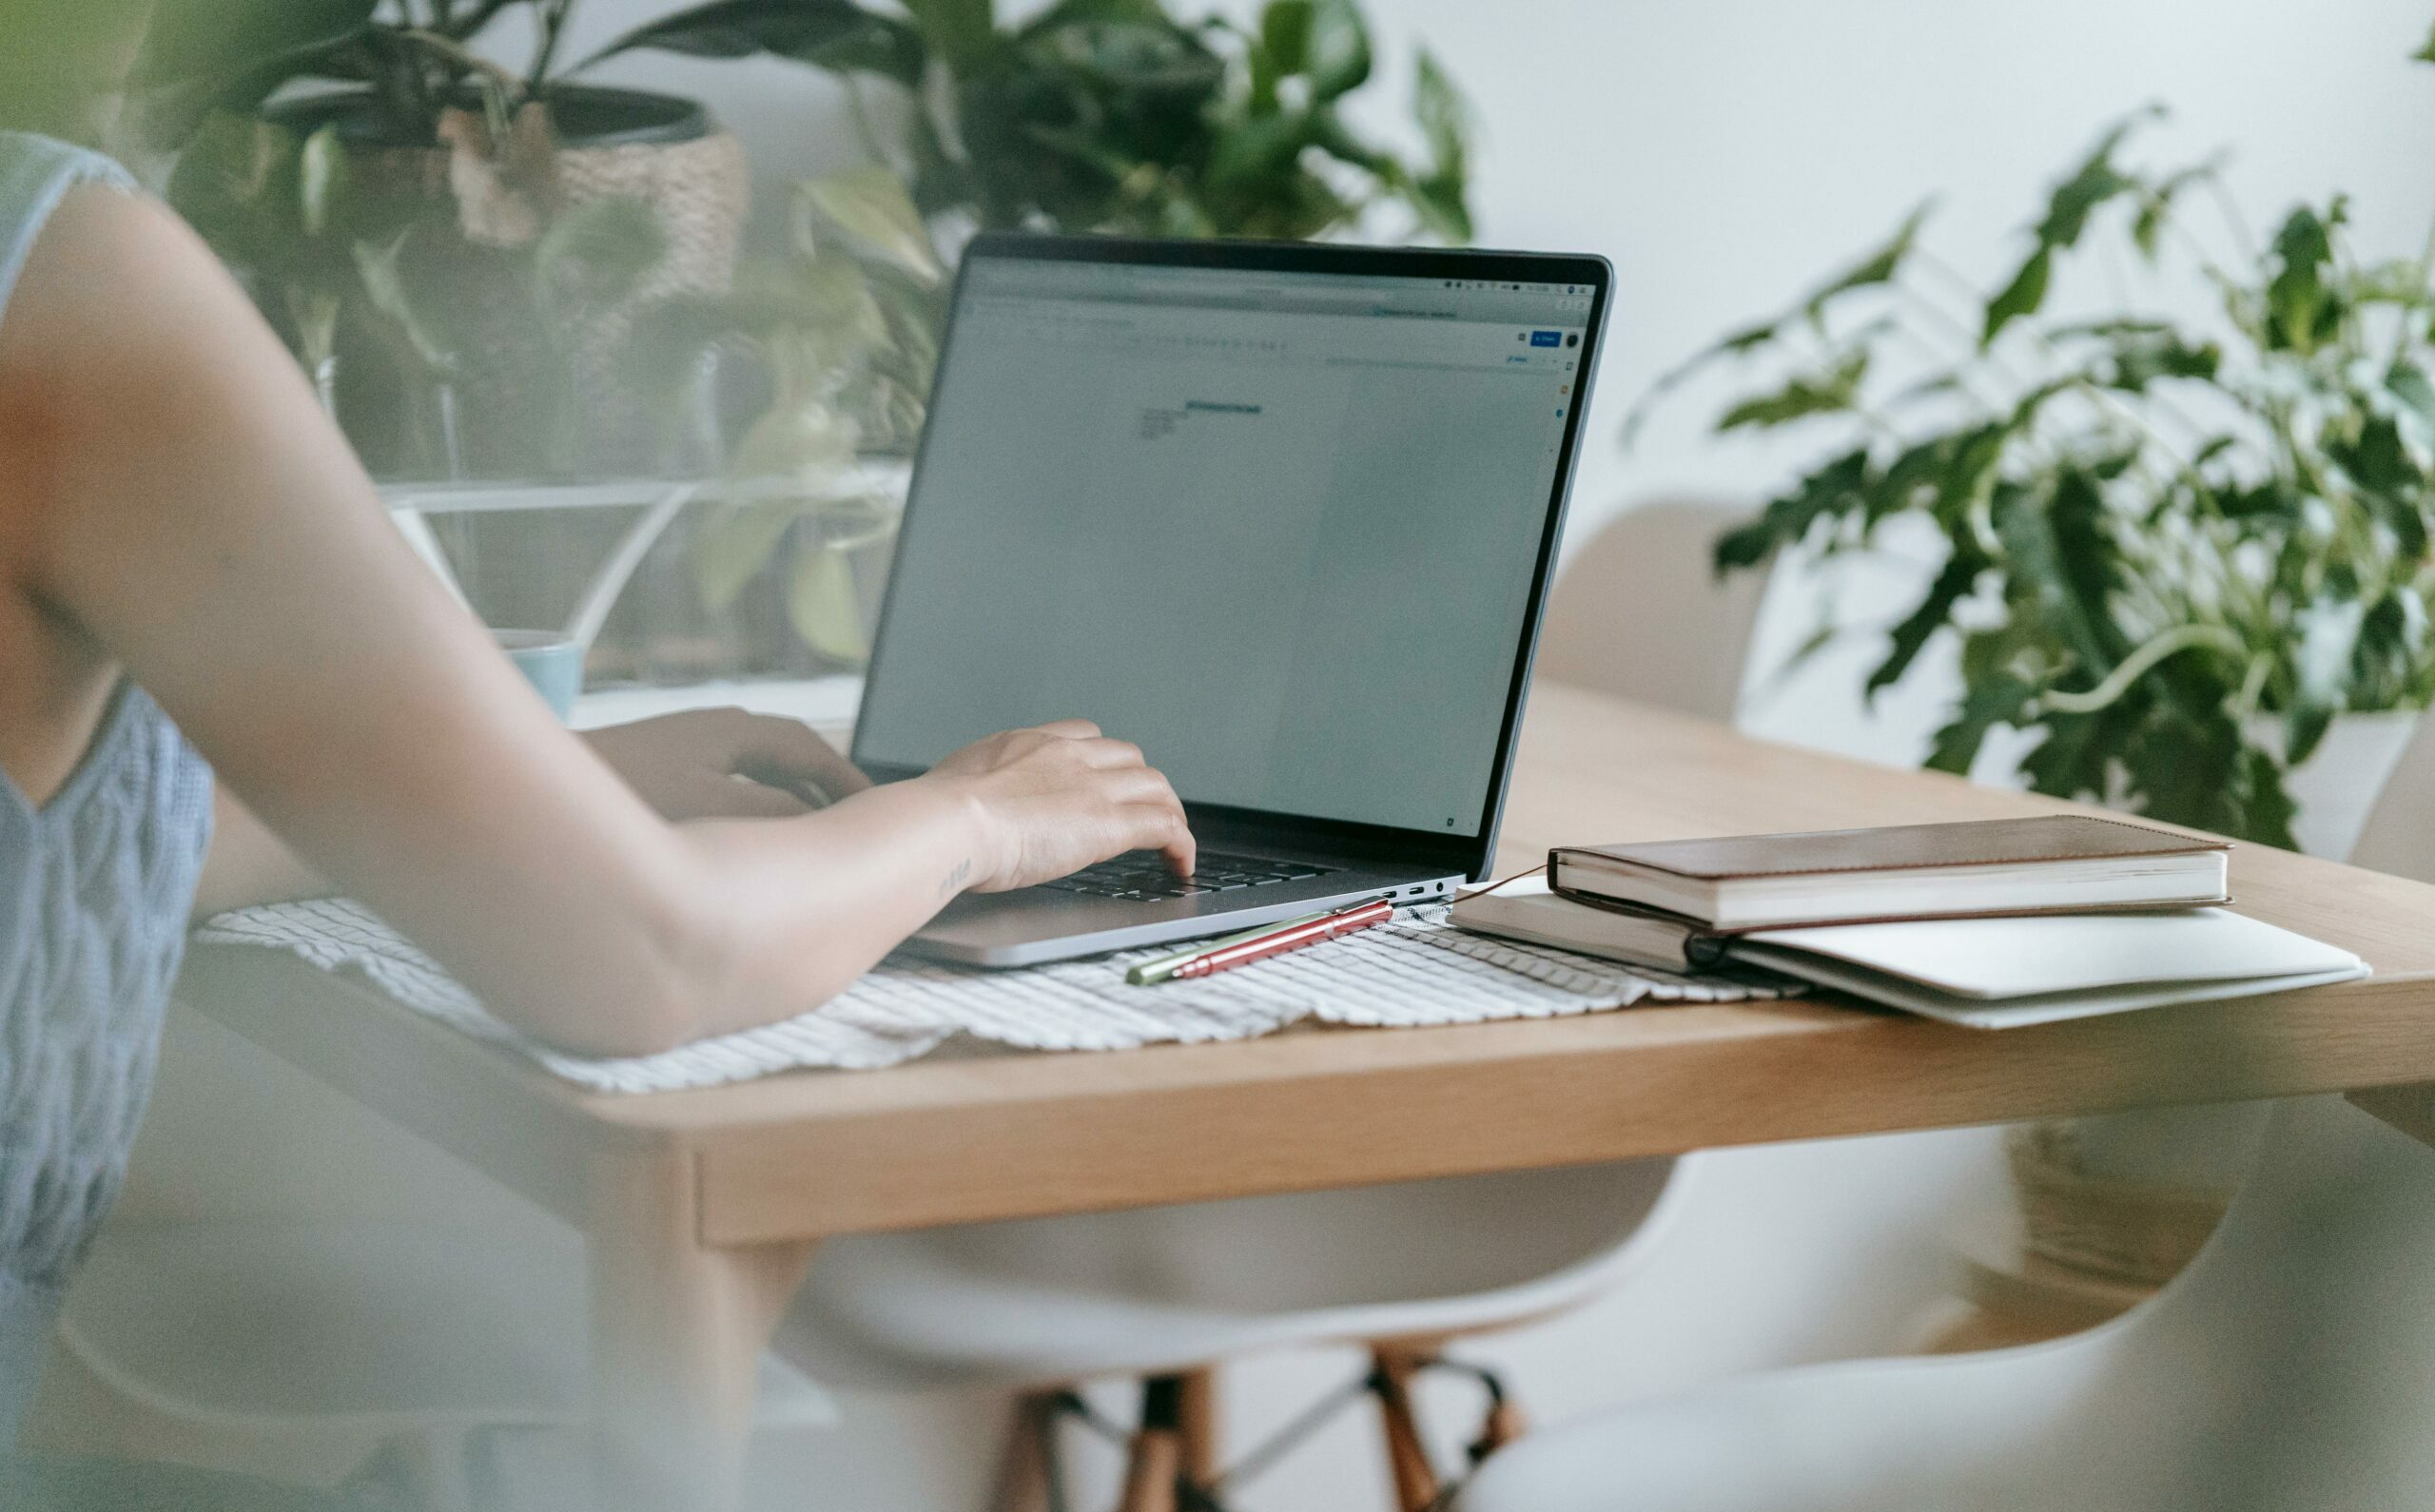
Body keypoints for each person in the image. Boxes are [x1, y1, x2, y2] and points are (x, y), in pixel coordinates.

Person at [0, 124, 1194, 1443]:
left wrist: (550, 792)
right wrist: (973, 815)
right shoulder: (63, 272)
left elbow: (79, 863)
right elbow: (647, 957)